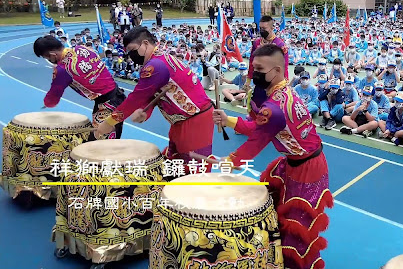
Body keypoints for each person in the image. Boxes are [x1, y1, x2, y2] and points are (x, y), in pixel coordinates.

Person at [212, 44, 332, 269]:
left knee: (297, 232)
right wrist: (228, 120)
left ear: (276, 70)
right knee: (273, 207)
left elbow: (255, 142)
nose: (253, 73)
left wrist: (227, 163)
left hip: (307, 168)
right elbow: (260, 127)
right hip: (292, 161)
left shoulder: (274, 107)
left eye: (258, 68)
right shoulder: (281, 92)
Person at [95, 27, 215, 162]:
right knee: (174, 163)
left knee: (194, 170)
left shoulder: (155, 66)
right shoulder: (159, 58)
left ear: (145, 44)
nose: (132, 55)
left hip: (194, 122)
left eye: (133, 50)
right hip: (182, 121)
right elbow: (153, 94)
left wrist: (110, 122)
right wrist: (146, 112)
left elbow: (136, 99)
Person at [34, 35, 126, 140]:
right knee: (111, 138)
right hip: (118, 96)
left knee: (100, 146)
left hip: (106, 106)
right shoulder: (81, 48)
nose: (49, 61)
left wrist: (47, 103)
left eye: (47, 58)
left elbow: (53, 98)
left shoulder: (62, 69)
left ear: (52, 55)